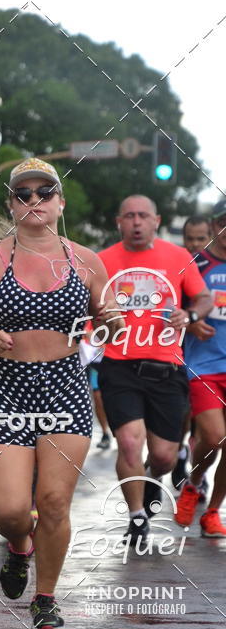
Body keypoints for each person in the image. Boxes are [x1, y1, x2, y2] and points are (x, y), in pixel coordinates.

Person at [0, 157, 123, 629]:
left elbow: (109, 322)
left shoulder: (85, 260)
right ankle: (19, 548)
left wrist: (112, 324)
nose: (34, 201)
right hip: (9, 390)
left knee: (53, 503)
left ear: (60, 201)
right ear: (12, 205)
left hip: (65, 388)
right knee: (11, 511)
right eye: (23, 194)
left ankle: (46, 597)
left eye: (44, 192)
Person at [97, 195, 212, 545]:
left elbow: (204, 298)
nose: (136, 222)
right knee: (129, 444)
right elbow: (88, 307)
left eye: (143, 216)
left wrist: (189, 315)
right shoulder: (102, 261)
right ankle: (137, 518)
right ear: (119, 221)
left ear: (156, 221)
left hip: (166, 367)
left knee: (162, 455)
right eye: (129, 216)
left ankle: (151, 476)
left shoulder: (177, 257)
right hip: (120, 366)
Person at [175, 198, 226, 536]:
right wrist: (190, 323)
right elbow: (170, 306)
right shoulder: (196, 263)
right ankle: (193, 482)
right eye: (223, 223)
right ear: (213, 226)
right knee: (214, 436)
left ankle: (212, 512)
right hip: (203, 365)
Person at [172, 215, 212, 490]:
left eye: (201, 238)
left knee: (204, 421)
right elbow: (169, 310)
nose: (195, 244)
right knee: (183, 412)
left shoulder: (214, 266)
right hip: (181, 355)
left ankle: (196, 468)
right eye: (190, 239)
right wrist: (191, 324)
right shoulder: (180, 267)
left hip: (211, 359)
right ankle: (179, 456)